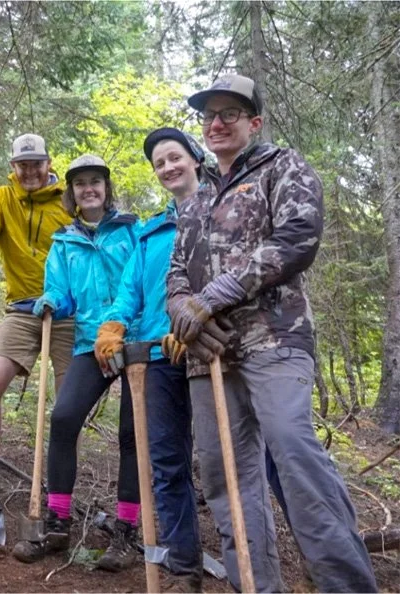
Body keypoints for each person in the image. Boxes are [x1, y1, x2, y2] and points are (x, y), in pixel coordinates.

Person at [166, 74, 377, 592]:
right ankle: (256, 586)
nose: (216, 124)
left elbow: (299, 237)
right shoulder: (192, 203)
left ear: (253, 122)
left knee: (292, 446)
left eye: (229, 114)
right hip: (209, 358)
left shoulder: (282, 167)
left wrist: (212, 297)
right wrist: (184, 316)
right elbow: (175, 274)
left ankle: (345, 583)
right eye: (209, 116)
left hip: (275, 338)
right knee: (224, 477)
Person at [94, 128, 223, 589]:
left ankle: (255, 560)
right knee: (167, 465)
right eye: (159, 163)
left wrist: (190, 327)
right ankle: (183, 568)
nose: (168, 168)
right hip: (155, 356)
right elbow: (128, 293)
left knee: (223, 461)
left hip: (210, 352)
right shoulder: (149, 233)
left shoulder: (223, 211)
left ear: (195, 159)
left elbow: (227, 279)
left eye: (175, 157)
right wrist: (111, 327)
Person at [11, 154, 140, 568]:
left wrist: (124, 327)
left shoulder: (132, 232)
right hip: (89, 342)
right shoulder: (64, 243)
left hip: (135, 340)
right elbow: (61, 293)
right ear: (72, 191)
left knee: (131, 433)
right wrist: (51, 301)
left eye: (96, 182)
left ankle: (126, 533)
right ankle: (58, 524)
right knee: (64, 419)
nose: (89, 189)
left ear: (107, 188)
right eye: (81, 183)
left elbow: (140, 284)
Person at [0, 133, 75, 496]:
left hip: (69, 312)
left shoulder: (67, 200)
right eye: (23, 164)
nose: (30, 171)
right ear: (13, 166)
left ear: (49, 164)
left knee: (69, 400)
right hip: (23, 309)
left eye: (36, 164)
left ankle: (61, 487)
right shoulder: (3, 198)